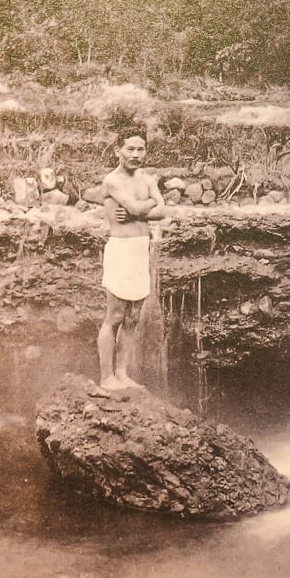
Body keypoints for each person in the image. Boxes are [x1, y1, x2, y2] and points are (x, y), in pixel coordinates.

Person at [96, 125, 166, 390]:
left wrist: (139, 212)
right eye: (130, 149)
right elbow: (145, 206)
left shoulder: (147, 179)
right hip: (121, 249)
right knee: (114, 316)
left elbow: (163, 211)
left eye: (141, 149)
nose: (136, 154)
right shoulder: (112, 181)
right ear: (118, 151)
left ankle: (123, 373)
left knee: (134, 316)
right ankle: (106, 377)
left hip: (140, 249)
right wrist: (146, 205)